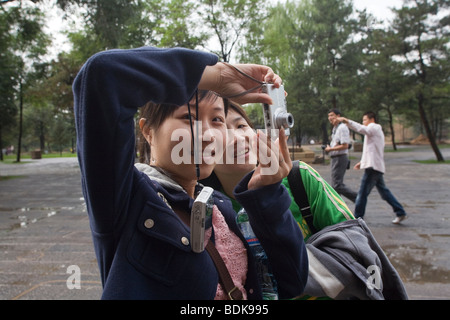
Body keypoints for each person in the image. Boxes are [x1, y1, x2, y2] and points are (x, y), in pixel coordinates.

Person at [73, 46, 308, 299]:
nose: (207, 135)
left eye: (217, 120)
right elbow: (102, 74)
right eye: (188, 117)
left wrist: (267, 196)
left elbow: (292, 282)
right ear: (148, 131)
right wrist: (217, 76)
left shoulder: (220, 206)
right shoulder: (125, 197)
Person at [202, 102, 355, 242]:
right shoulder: (204, 213)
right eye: (220, 132)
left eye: (241, 126)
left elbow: (355, 243)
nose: (237, 138)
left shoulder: (300, 178)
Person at [338, 112, 407, 224]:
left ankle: (357, 218)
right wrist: (362, 162)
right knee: (384, 193)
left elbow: (362, 129)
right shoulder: (373, 132)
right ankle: (400, 212)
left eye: (365, 120)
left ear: (372, 119)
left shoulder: (374, 127)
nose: (363, 122)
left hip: (373, 167)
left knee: (362, 193)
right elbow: (372, 150)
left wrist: (347, 121)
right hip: (374, 165)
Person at [325, 109, 358, 203]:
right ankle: (337, 206)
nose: (330, 118)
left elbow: (345, 145)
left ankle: (357, 198)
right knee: (335, 185)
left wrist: (330, 149)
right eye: (329, 116)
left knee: (337, 185)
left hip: (340, 158)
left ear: (338, 116)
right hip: (335, 158)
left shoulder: (342, 127)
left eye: (332, 115)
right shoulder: (335, 128)